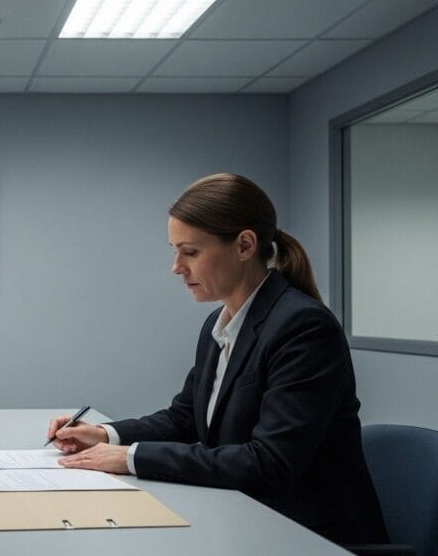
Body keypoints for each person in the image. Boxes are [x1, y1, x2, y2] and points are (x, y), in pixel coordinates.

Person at [47, 173, 387, 545]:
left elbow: (269, 463)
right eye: (175, 251)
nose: (176, 266)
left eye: (190, 252)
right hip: (245, 518)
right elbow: (185, 418)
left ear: (244, 245)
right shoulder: (221, 321)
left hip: (307, 536)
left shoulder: (303, 327)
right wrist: (103, 434)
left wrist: (130, 457)